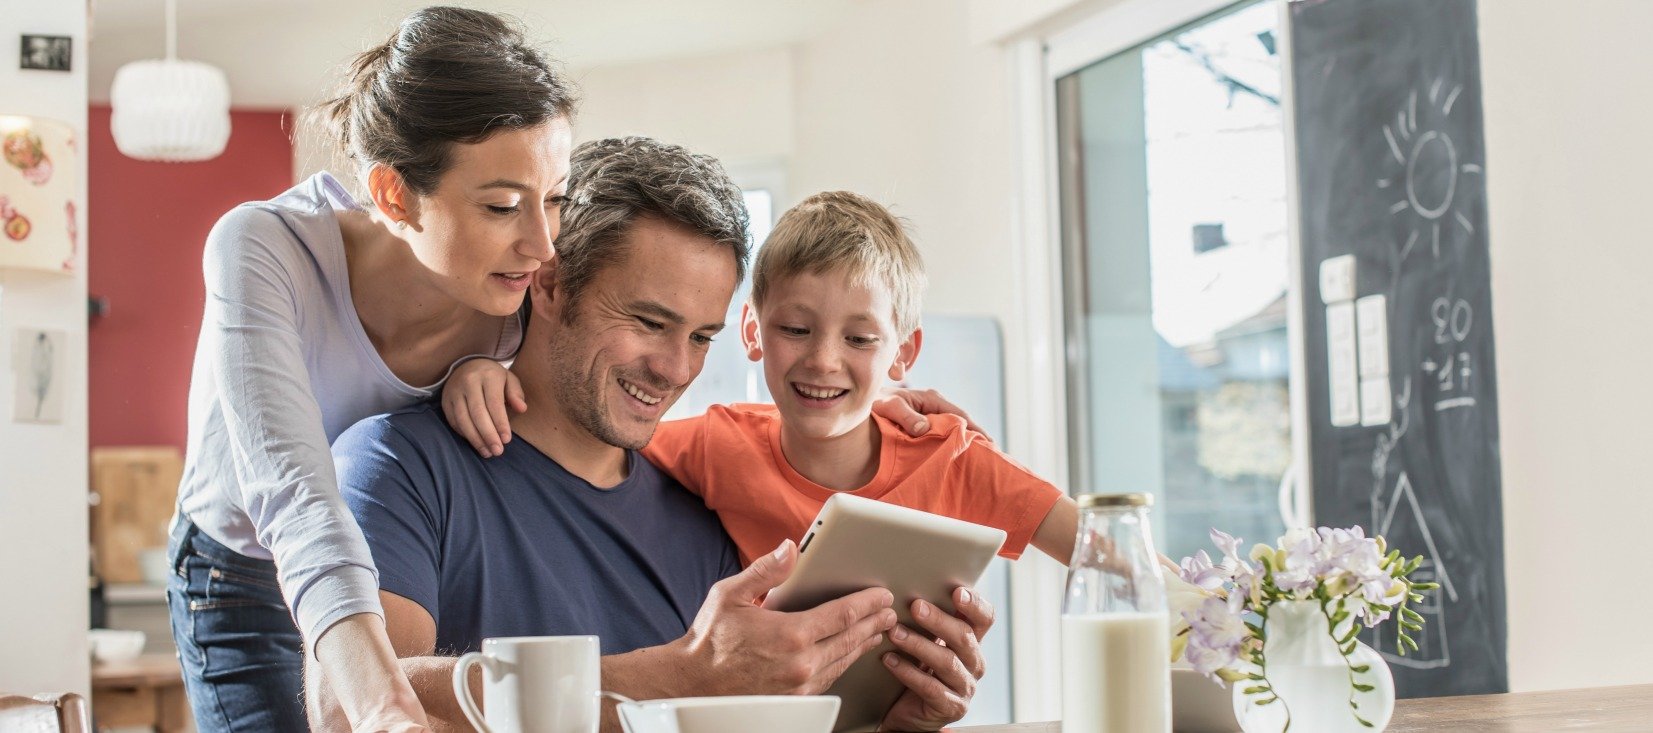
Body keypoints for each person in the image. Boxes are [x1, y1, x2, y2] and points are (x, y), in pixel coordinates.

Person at [329, 137, 994, 732]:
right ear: (552, 284)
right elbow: (352, 711)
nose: (676, 368)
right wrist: (678, 677)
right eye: (649, 322)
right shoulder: (399, 466)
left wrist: (894, 724)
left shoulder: (705, 517)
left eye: (701, 336)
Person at [165, 7, 575, 731]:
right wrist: (387, 708)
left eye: (554, 200)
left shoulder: (516, 298)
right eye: (505, 206)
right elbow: (297, 500)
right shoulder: (263, 249)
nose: (541, 244)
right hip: (245, 571)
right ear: (393, 195)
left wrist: (486, 366)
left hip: (392, 566)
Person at [640, 191, 1081, 568]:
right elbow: (591, 447)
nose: (824, 361)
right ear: (752, 331)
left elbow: (1114, 558)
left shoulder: (949, 457)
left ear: (903, 353)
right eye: (796, 329)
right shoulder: (717, 445)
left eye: (860, 339)